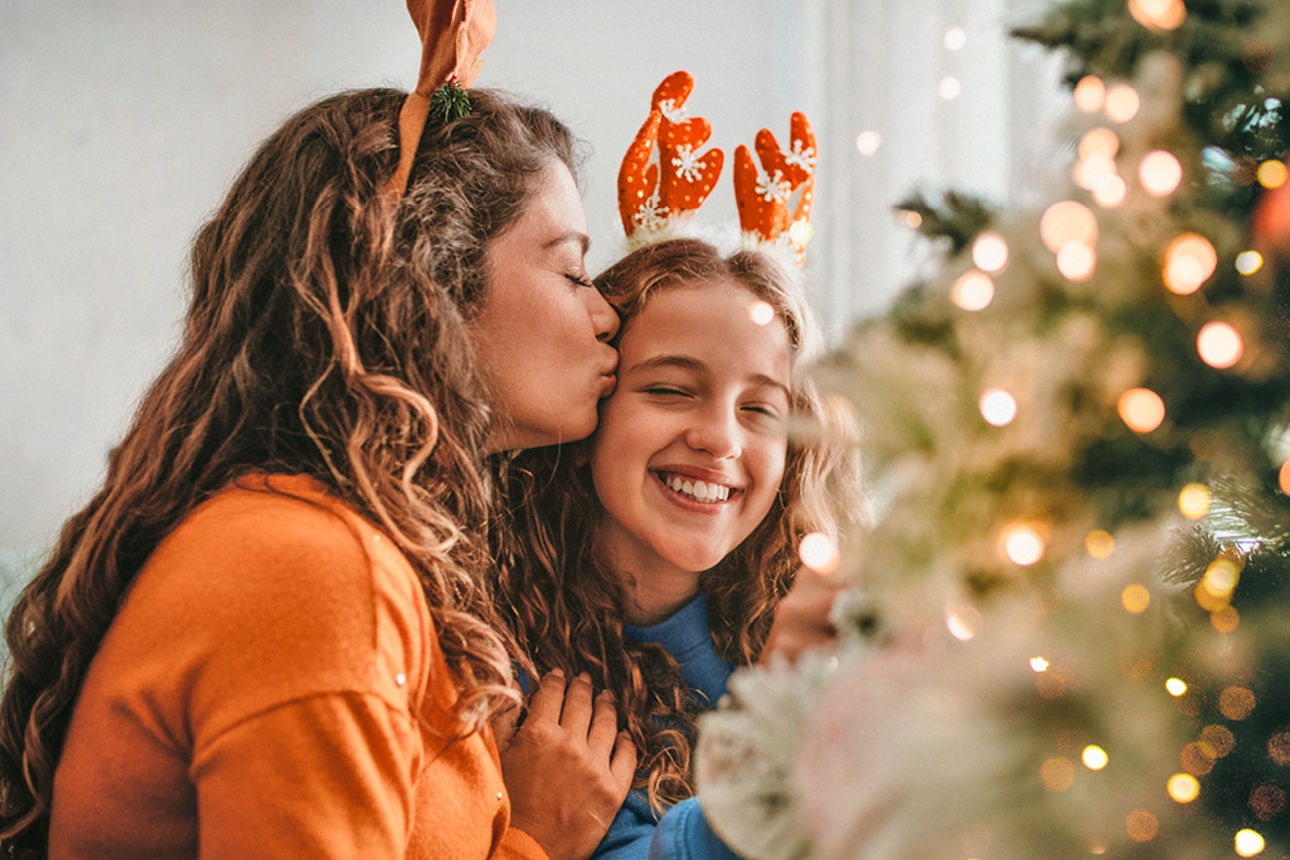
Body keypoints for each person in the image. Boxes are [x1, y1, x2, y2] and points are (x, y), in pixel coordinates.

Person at [0, 77, 637, 860]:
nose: (605, 313)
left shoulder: (319, 546)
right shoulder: (314, 569)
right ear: (427, 277)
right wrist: (537, 838)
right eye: (572, 271)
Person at [493, 237, 863, 859]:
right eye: (669, 390)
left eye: (759, 410)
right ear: (587, 414)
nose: (719, 438)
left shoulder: (823, 643)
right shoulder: (503, 667)